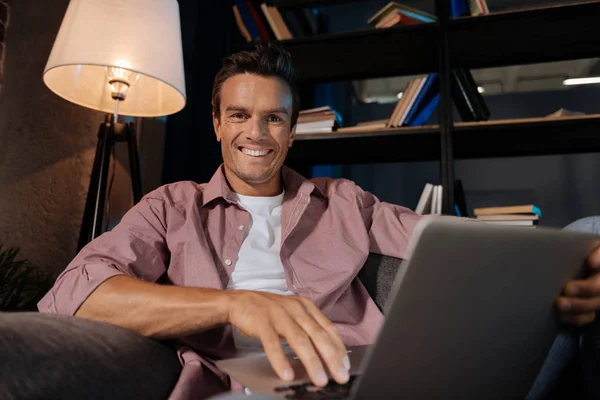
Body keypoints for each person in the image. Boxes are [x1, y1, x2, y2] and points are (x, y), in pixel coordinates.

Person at [37, 42, 600, 400]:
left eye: (274, 119)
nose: (256, 135)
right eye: (240, 115)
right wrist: (236, 304)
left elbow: (446, 240)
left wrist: (562, 263)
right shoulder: (171, 206)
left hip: (365, 381)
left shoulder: (345, 201)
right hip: (241, 385)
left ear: (292, 127)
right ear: (215, 124)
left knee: (587, 234)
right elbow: (73, 294)